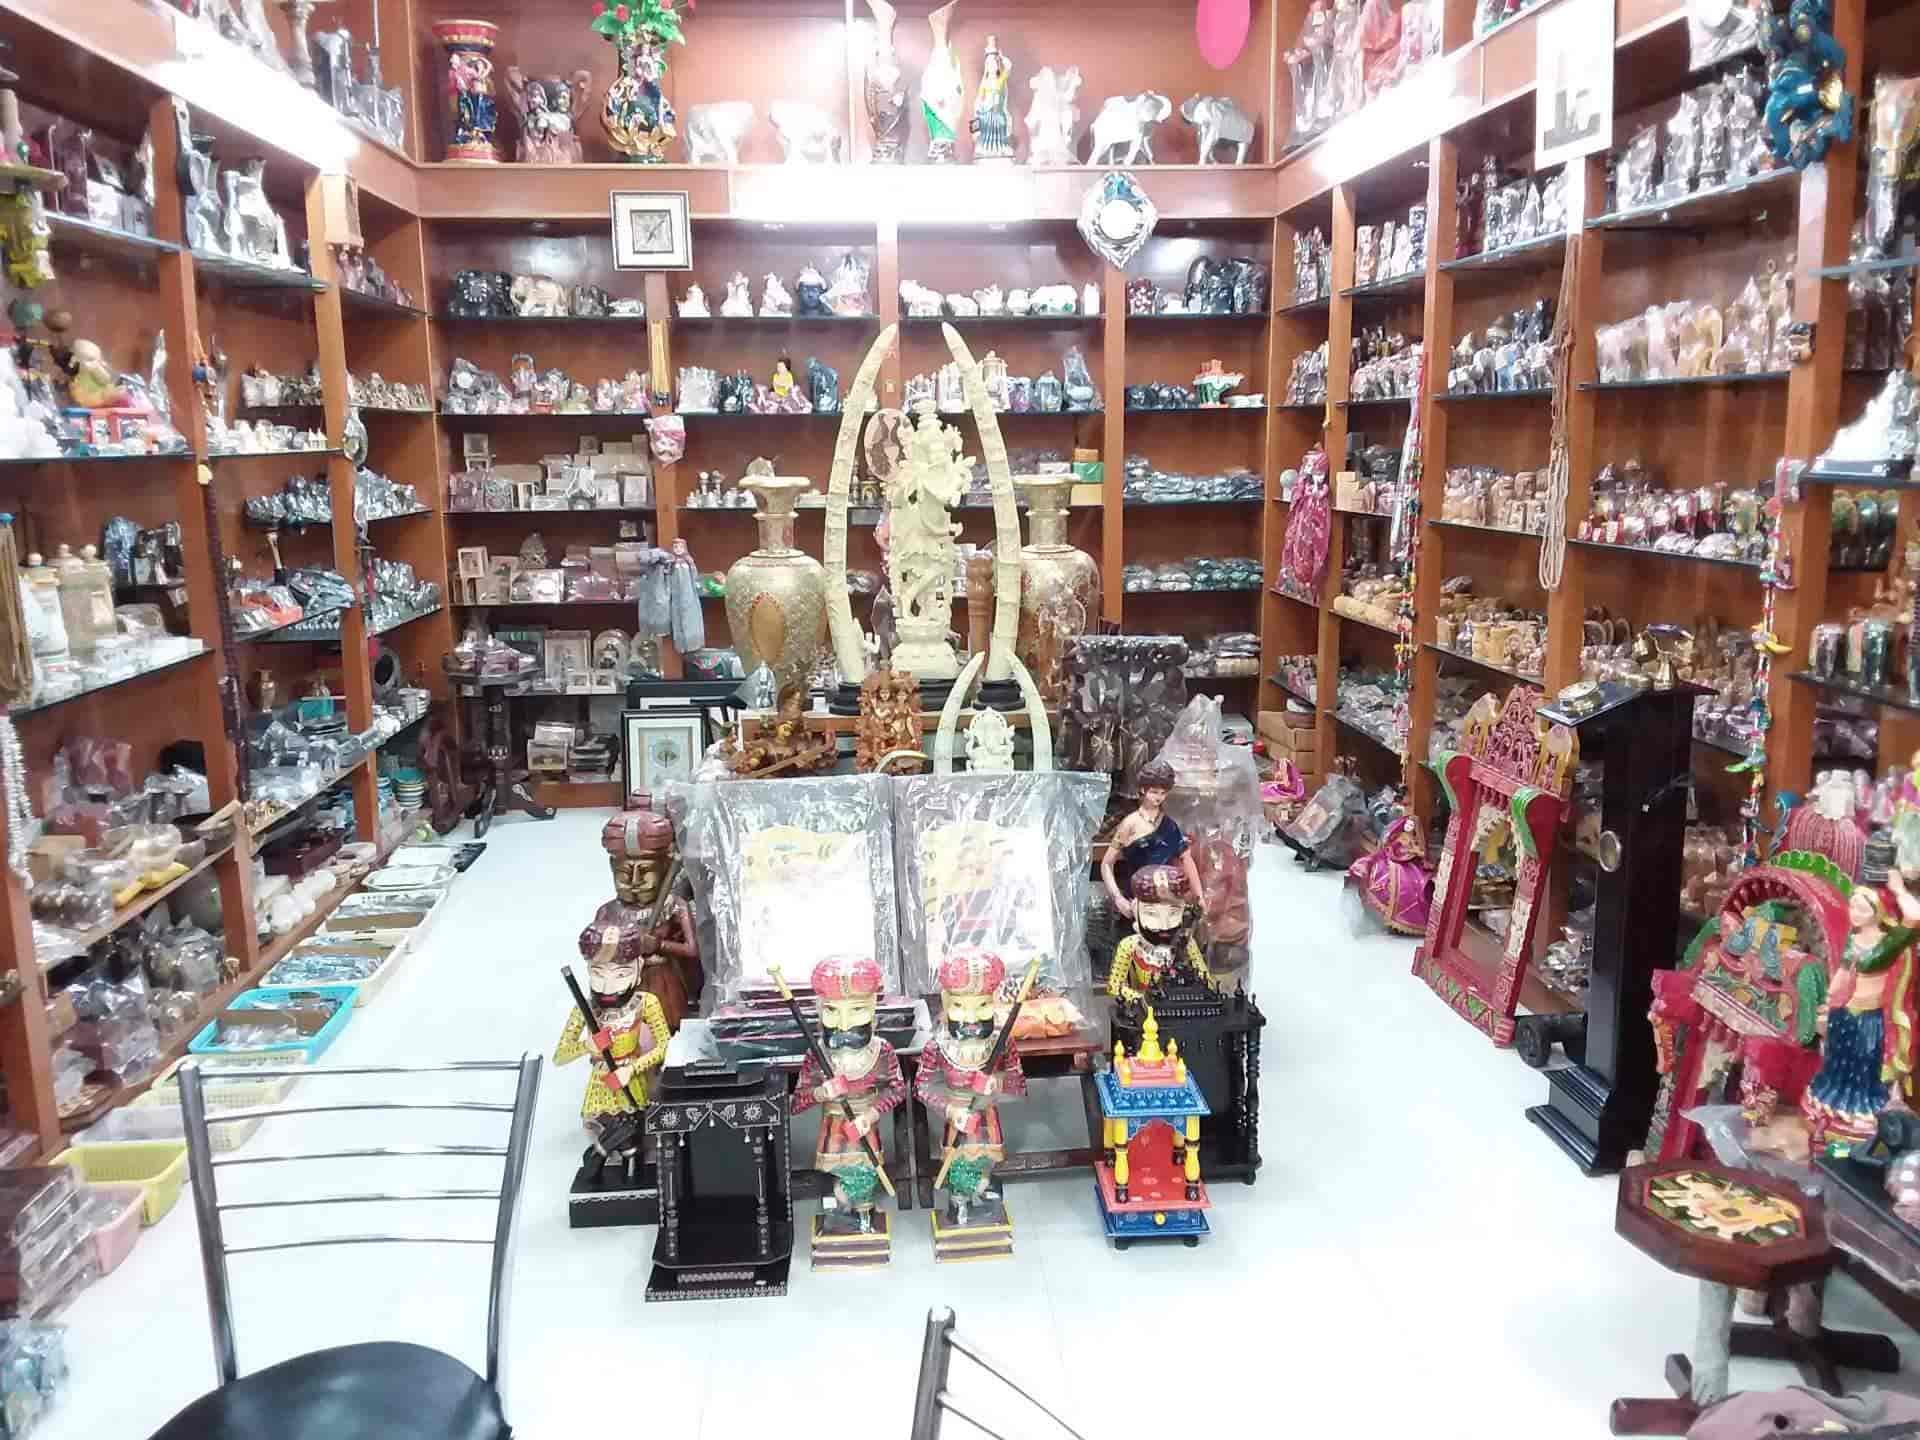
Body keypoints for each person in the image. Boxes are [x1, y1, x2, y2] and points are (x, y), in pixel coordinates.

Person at [791, 956, 907, 1239]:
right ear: (820, 1010)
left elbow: (898, 1089)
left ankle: (864, 1216)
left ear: (872, 1008)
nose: (844, 1024)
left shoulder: (882, 1051)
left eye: (856, 1010)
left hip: (864, 1127)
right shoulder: (817, 1054)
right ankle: (844, 1214)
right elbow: (797, 1102)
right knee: (841, 1180)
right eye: (832, 1011)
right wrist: (821, 1092)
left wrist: (872, 1114)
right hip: (834, 1129)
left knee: (865, 1174)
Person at [1101, 758, 1206, 919]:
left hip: (1167, 901)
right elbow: (1107, 864)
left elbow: (1187, 859)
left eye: (1163, 793)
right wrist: (1118, 898)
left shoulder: (1169, 825)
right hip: (1136, 901)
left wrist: (1199, 896)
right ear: (1143, 789)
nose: (1158, 797)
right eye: (1154, 792)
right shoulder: (1130, 824)